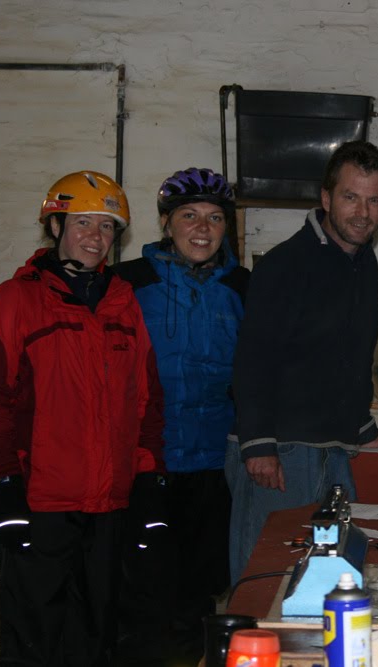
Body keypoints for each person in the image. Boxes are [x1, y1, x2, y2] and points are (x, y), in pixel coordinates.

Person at [0, 171, 166, 667]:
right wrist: (6, 486)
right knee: (34, 637)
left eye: (106, 226)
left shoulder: (124, 304)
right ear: (56, 227)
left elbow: (147, 402)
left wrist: (148, 484)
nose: (95, 237)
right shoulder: (14, 301)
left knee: (97, 635)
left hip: (109, 505)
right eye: (82, 223)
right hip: (42, 502)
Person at [227, 140, 378, 583]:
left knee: (329, 577)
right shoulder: (285, 265)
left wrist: (363, 429)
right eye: (350, 197)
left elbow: (354, 353)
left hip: (332, 451)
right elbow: (254, 357)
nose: (362, 211)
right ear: (325, 198)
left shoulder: (365, 262)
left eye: (374, 199)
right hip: (281, 452)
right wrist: (259, 446)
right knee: (268, 575)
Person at [113, 167, 248, 665]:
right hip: (147, 463)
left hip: (216, 464)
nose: (203, 228)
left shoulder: (241, 287)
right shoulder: (127, 283)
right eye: (189, 216)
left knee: (200, 592)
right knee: (142, 592)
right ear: (166, 223)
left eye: (215, 218)